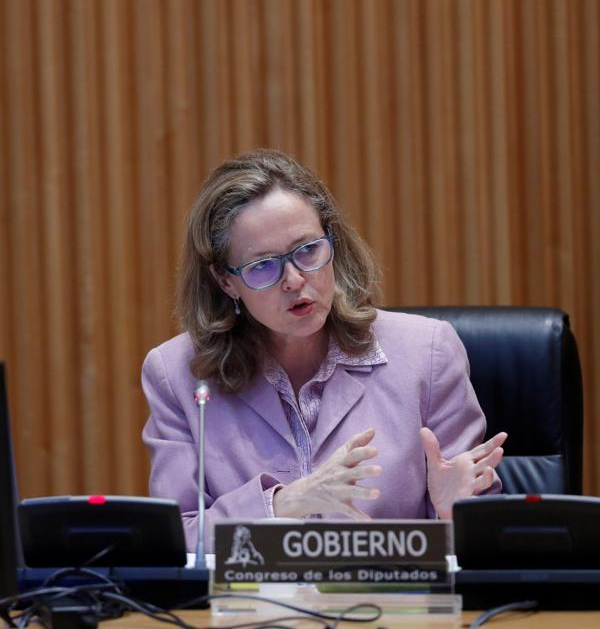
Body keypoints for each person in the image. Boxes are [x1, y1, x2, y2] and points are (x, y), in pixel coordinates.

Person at [141, 149, 507, 551]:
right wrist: (282, 504)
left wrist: (452, 515)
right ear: (226, 282)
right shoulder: (178, 374)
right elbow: (176, 540)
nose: (295, 280)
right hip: (248, 610)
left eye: (307, 250)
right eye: (263, 266)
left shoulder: (428, 353)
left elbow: (490, 543)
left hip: (392, 608)